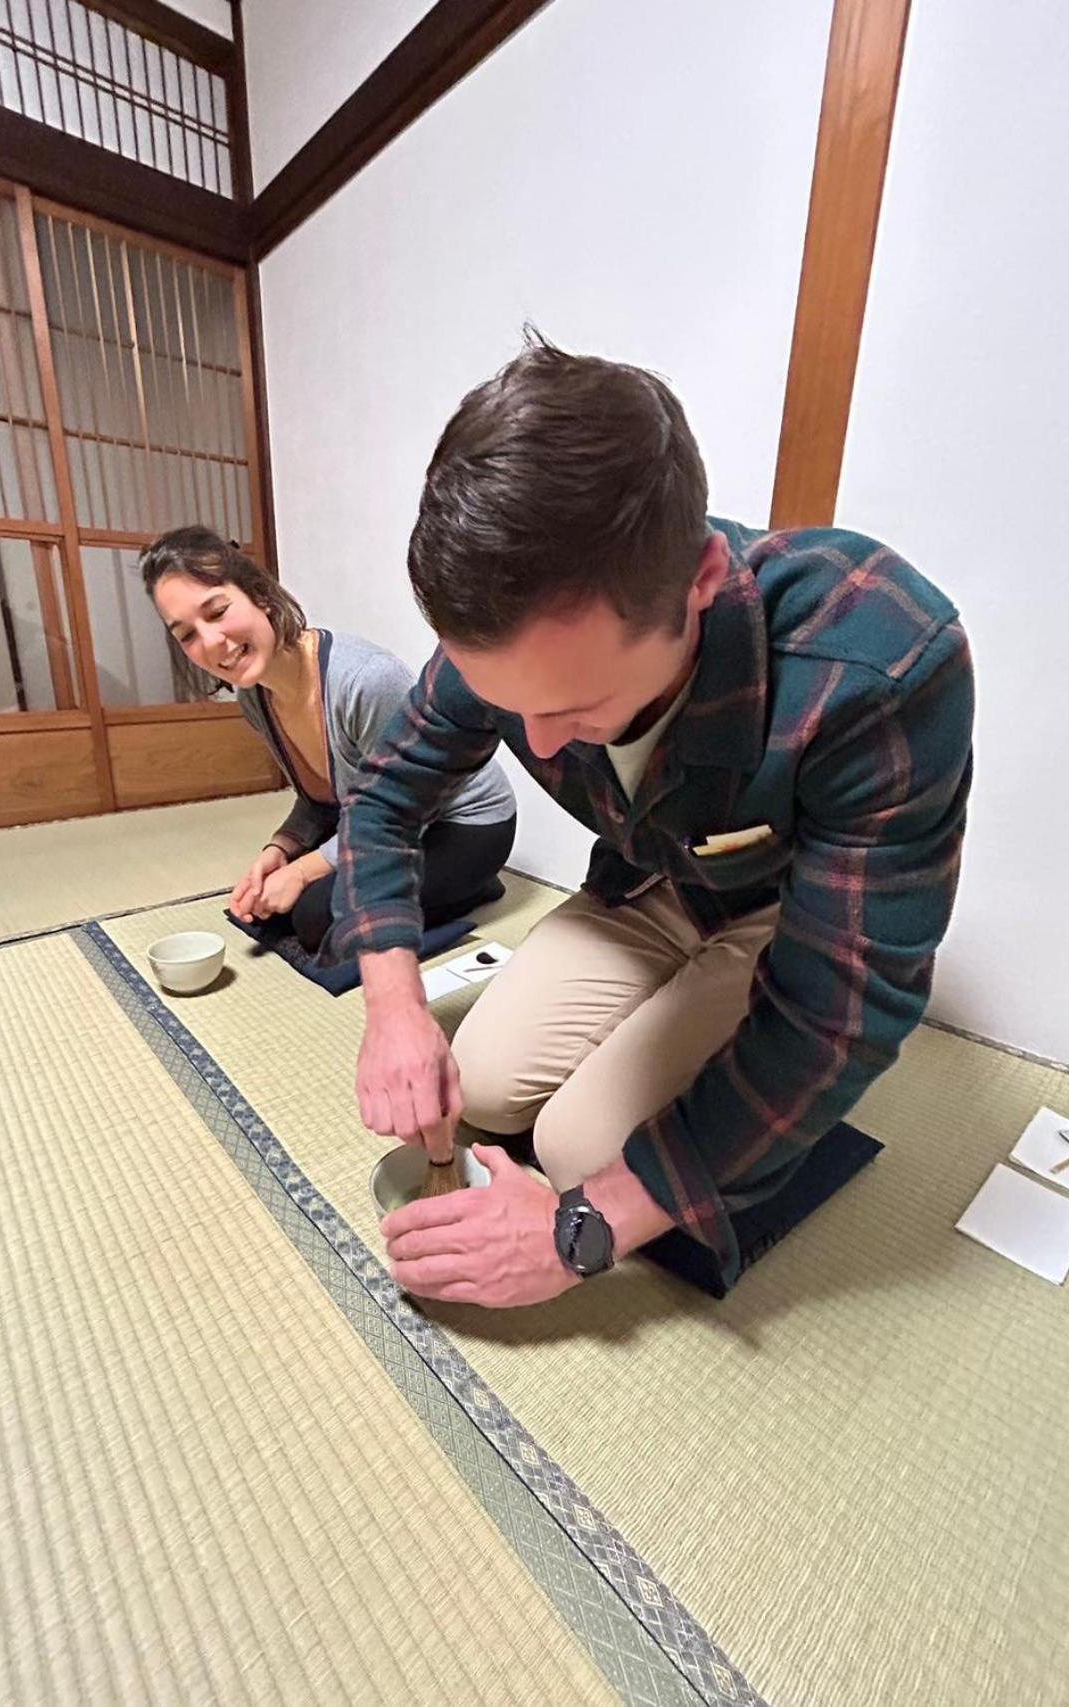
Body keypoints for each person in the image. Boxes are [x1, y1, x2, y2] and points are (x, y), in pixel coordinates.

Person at [326, 333, 975, 1309]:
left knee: (581, 1151)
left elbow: (840, 1014)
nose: (538, 745)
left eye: (576, 706)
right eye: (510, 704)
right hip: (645, 885)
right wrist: (393, 1009)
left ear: (701, 582)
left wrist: (575, 1235)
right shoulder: (513, 634)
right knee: (484, 1087)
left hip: (780, 922)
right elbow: (382, 799)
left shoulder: (876, 662)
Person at [139, 527, 517, 952]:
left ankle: (475, 886)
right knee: (276, 905)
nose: (210, 642)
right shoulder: (254, 697)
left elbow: (410, 804)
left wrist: (302, 872)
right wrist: (281, 849)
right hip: (389, 821)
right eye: (186, 635)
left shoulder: (364, 679)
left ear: (260, 595)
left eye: (217, 611)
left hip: (461, 823)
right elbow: (324, 794)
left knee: (316, 918)